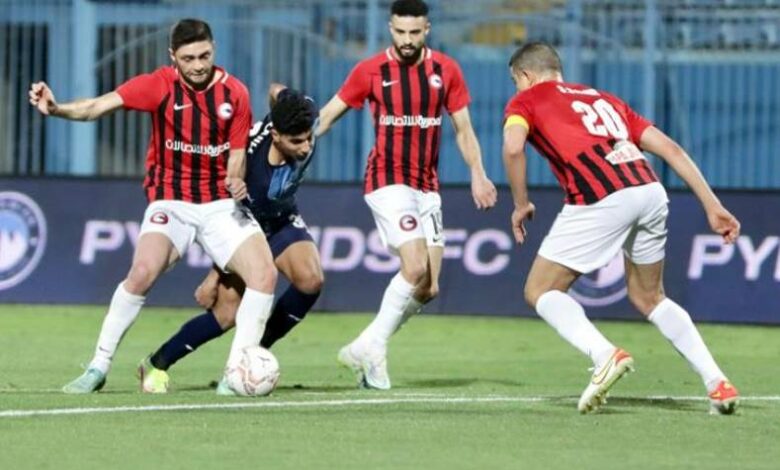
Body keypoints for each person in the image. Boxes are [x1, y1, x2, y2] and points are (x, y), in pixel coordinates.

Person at [29, 18, 279, 394]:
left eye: (204, 56)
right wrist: (57, 108)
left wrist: (235, 178)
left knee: (265, 275)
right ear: (172, 56)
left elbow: (237, 154)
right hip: (171, 200)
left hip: (219, 203)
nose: (198, 65)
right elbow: (97, 107)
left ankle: (235, 373)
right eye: (189, 58)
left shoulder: (235, 93)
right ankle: (98, 367)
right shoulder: (158, 85)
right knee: (142, 272)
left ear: (213, 49)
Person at [502, 42, 741, 414]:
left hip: (601, 195)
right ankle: (718, 383)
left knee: (540, 290)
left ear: (525, 75)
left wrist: (520, 203)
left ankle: (604, 355)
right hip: (649, 190)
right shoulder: (606, 100)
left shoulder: (525, 101)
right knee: (650, 297)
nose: (517, 88)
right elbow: (672, 150)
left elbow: (513, 147)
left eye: (516, 81)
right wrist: (713, 205)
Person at [316, 0, 497, 390]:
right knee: (413, 267)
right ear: (390, 28)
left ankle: (364, 345)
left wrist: (478, 173)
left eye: (415, 32)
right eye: (401, 32)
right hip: (387, 180)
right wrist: (296, 146)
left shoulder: (446, 70)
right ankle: (374, 349)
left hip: (426, 187)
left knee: (427, 287)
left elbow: (463, 129)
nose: (408, 40)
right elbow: (329, 114)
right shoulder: (370, 71)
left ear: (427, 29)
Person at [137, 85, 323, 394]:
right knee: (226, 315)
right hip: (247, 223)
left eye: (308, 139)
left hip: (282, 219)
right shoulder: (251, 173)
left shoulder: (300, 115)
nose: (305, 148)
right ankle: (157, 363)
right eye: (296, 142)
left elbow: (275, 90)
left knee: (311, 279)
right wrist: (214, 277)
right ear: (275, 135)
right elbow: (231, 228)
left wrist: (282, 98)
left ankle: (251, 356)